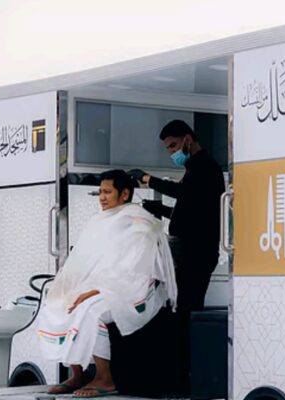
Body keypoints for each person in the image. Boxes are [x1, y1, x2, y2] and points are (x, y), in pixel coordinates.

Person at [37, 169, 177, 398]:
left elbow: (134, 268)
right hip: (104, 284)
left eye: (107, 192)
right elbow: (84, 261)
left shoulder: (139, 222)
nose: (102, 197)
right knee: (60, 303)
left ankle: (105, 378)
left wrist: (95, 291)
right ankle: (78, 374)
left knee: (90, 310)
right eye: (100, 192)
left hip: (133, 289)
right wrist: (67, 286)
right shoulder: (99, 221)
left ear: (124, 194)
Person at [129, 119, 225, 312]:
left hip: (197, 251)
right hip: (189, 249)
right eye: (169, 149)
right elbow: (191, 211)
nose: (172, 153)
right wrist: (160, 209)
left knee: (187, 306)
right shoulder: (193, 168)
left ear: (188, 139)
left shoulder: (205, 166)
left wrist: (148, 179)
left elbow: (183, 193)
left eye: (174, 146)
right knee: (180, 304)